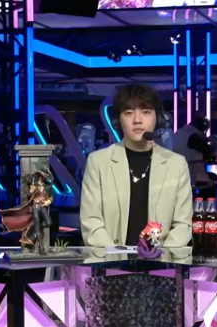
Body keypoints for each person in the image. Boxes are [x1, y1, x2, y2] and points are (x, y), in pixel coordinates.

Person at [80, 84, 192, 247]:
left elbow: (183, 225)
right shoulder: (98, 162)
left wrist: (161, 255)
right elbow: (91, 222)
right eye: (128, 113)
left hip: (162, 259)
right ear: (118, 120)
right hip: (111, 259)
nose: (137, 120)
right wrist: (116, 255)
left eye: (145, 112)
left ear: (157, 118)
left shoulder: (176, 164)